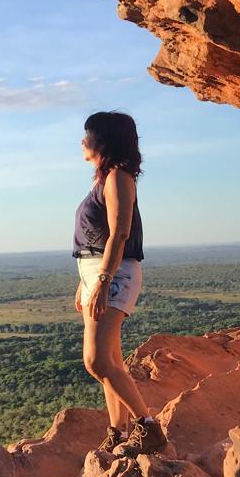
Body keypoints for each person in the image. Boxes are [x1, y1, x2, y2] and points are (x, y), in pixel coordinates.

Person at [73, 111, 167, 457]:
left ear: (103, 141)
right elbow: (95, 238)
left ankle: (148, 427)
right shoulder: (104, 179)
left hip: (114, 273)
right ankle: (118, 431)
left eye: (87, 134)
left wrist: (102, 279)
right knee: (109, 359)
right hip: (98, 272)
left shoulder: (118, 177)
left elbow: (120, 232)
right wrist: (85, 281)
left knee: (97, 361)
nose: (82, 141)